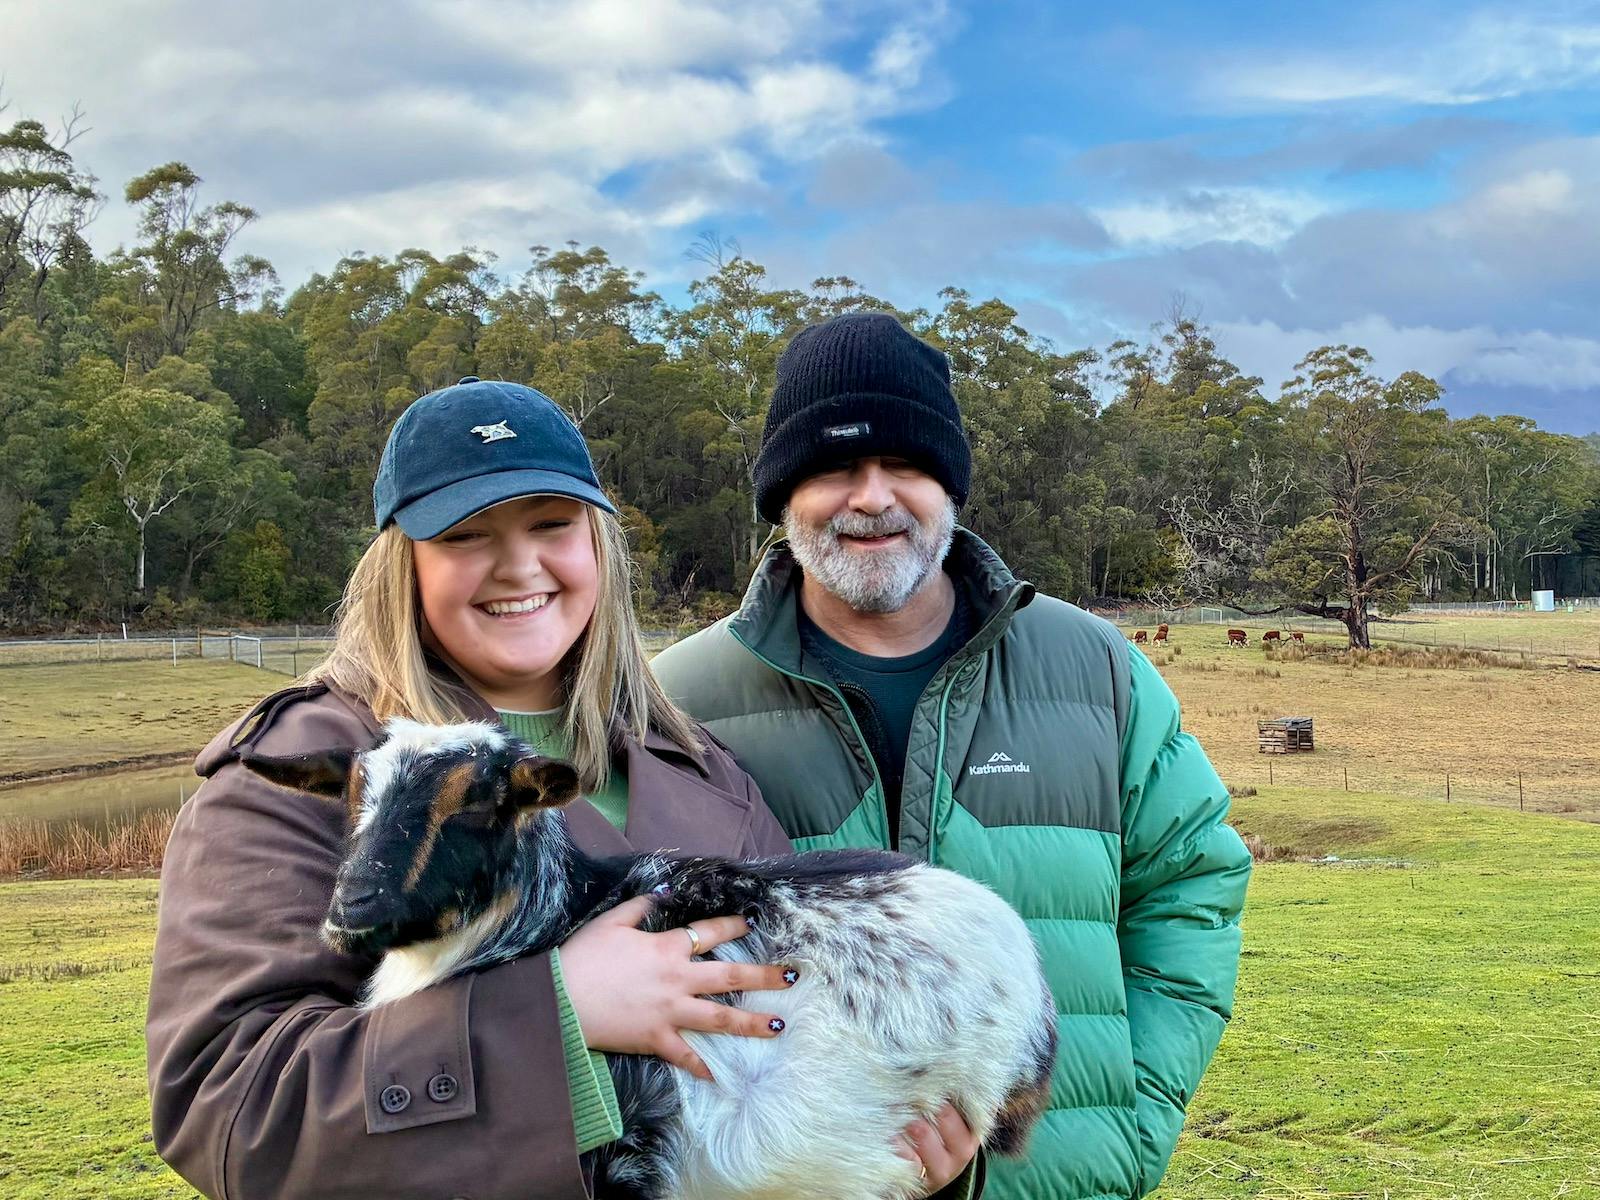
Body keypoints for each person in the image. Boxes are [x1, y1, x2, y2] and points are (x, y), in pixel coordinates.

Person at [145, 377, 978, 1199]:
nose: (520, 566)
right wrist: (559, 1015)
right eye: (467, 535)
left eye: (553, 524)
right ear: (403, 560)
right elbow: (231, 1109)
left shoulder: (697, 766)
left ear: (597, 547)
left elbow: (798, 1014)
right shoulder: (307, 771)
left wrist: (885, 1144)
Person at [652, 313, 1253, 1200]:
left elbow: (1192, 886)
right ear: (783, 496)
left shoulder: (1097, 670)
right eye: (832, 468)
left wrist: (1138, 1109)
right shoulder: (677, 701)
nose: (871, 497)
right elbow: (640, 960)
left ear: (951, 484)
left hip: (1052, 1180)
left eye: (906, 464)